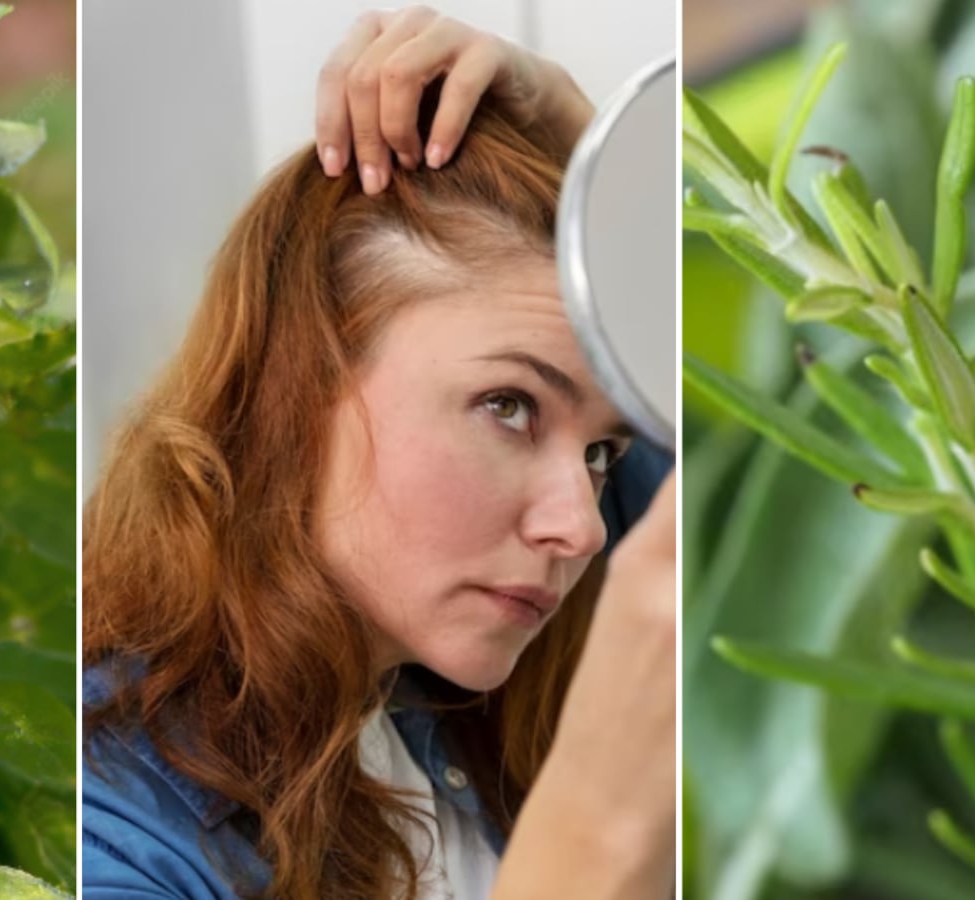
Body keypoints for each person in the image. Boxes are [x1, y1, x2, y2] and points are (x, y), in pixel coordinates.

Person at [81, 9, 676, 899]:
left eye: (601, 453)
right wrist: (593, 837)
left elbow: (772, 420)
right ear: (300, 385)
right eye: (508, 407)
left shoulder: (458, 667)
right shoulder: (109, 837)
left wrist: (596, 149)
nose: (584, 528)